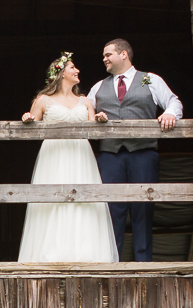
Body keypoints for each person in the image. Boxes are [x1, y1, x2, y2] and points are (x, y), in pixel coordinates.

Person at [87, 38, 185, 262]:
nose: (104, 59)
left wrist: (170, 113)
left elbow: (174, 101)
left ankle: (143, 263)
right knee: (111, 208)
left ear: (123, 55)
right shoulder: (98, 87)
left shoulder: (149, 79)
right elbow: (84, 112)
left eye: (108, 54)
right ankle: (113, 262)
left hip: (143, 153)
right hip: (110, 155)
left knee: (143, 207)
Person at [15, 52, 119, 263]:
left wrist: (99, 119)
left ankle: (86, 252)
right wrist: (27, 118)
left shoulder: (85, 101)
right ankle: (52, 252)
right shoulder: (43, 100)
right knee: (54, 200)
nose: (77, 70)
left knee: (84, 201)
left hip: (81, 154)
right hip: (54, 155)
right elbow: (32, 120)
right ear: (61, 73)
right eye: (72, 67)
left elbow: (92, 128)